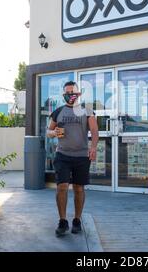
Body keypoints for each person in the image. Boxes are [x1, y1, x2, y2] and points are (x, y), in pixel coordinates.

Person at [47, 81, 99, 237]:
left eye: (73, 92)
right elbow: (49, 131)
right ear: (64, 95)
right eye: (67, 92)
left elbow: (95, 132)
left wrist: (94, 147)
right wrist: (54, 132)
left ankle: (77, 220)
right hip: (62, 155)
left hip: (81, 156)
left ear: (79, 94)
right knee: (61, 187)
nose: (70, 95)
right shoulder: (58, 112)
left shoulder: (87, 110)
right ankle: (63, 221)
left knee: (78, 188)